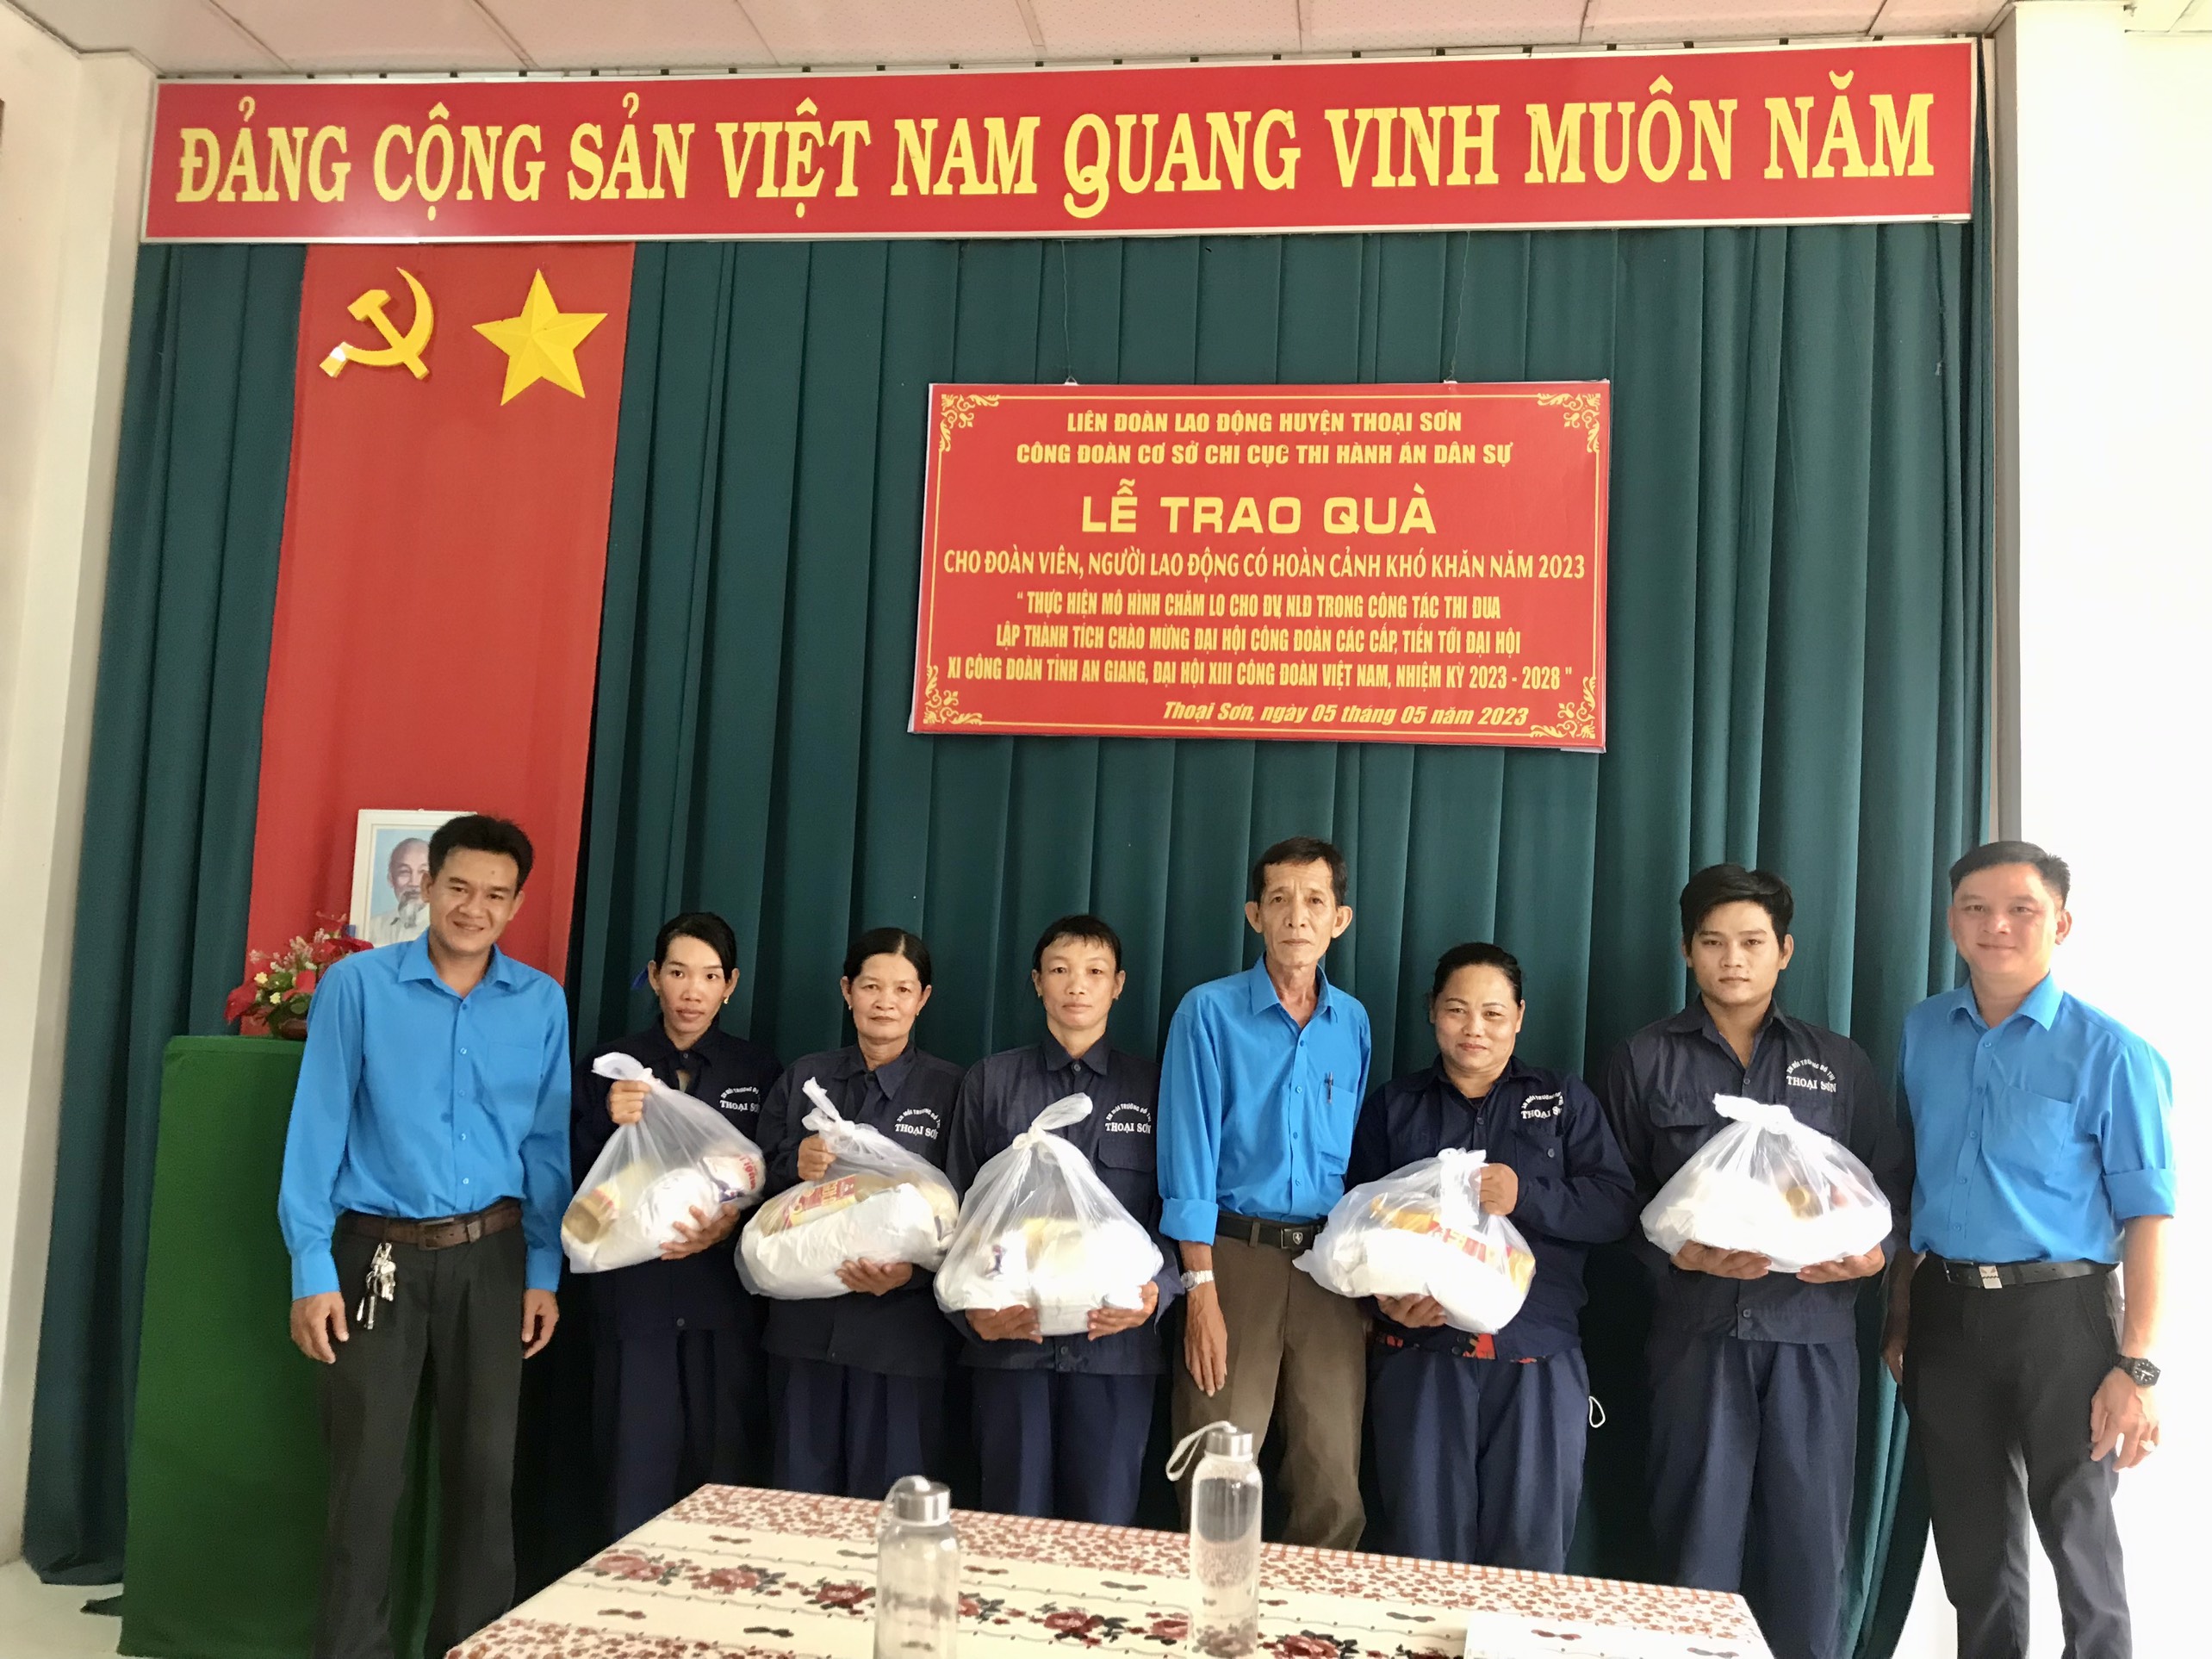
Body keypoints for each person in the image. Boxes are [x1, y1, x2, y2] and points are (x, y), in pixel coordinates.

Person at [1597, 863, 1909, 1659]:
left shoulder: (1837, 1063)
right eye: (1713, 942)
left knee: (1807, 1549)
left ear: (1785, 951)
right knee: (1694, 1540)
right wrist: (1680, 1254)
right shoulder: (1644, 1059)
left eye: (1752, 942)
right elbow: (1612, 1196)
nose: (1732, 959)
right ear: (1686, 951)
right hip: (1694, 1337)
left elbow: (1889, 1185)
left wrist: (1873, 1258)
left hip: (1813, 1337)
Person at [277, 814, 568, 1659]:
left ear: (516, 905)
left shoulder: (540, 1002)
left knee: (484, 1481)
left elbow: (547, 1148)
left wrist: (543, 1269)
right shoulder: (358, 988)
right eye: (460, 888)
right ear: (428, 887)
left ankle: (471, 1646)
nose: (475, 909)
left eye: (496, 895)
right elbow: (316, 1131)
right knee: (366, 1481)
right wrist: (310, 1267)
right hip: (376, 1259)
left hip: (495, 1258)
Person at [1885, 842, 2172, 1659]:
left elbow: (2149, 1216)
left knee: (2079, 1540)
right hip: (1944, 1311)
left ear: (2061, 924)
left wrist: (2137, 1366)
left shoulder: (2112, 1052)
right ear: (1952, 923)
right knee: (1972, 1550)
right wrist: (1900, 1315)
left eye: (2022, 909)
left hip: (2063, 1316)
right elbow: (1909, 1181)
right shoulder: (1922, 1031)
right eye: (1976, 908)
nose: (1997, 926)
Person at [1352, 942, 1637, 1570]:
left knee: (1529, 1558)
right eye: (1457, 1010)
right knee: (1423, 1554)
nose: (1474, 1029)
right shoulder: (1394, 1106)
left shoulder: (1563, 1100)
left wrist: (1526, 1195)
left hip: (1536, 1358)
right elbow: (1354, 1226)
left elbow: (1615, 1208)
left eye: (1493, 1013)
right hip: (1421, 1357)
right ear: (1432, 1011)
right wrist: (1384, 1301)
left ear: (1520, 1017)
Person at [1158, 835, 1373, 1549]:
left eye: (1314, 901)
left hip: (1325, 1266)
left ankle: (1316, 1611)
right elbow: (1187, 1153)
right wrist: (1200, 1289)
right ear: (1255, 915)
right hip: (1232, 1256)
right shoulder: (1207, 1013)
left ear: (1339, 919)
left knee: (1332, 1474)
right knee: (1218, 1465)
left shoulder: (1353, 1023)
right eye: (1279, 899)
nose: (1296, 917)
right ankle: (1211, 1607)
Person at [944, 914, 1177, 1524]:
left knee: (1104, 1528)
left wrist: (1159, 1291)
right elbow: (958, 1209)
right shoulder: (992, 1082)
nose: (1077, 985)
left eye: (1095, 972)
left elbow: (1178, 1207)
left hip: (1115, 1351)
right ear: (1037, 982)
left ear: (1118, 985)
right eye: (1060, 970)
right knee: (1012, 1521)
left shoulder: (1156, 1087)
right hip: (1011, 1348)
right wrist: (971, 1313)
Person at [573, 911, 781, 1537]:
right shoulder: (611, 1067)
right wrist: (608, 1120)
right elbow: (574, 1183)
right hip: (636, 1305)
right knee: (633, 1477)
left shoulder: (759, 1071)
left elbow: (778, 1185)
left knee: (721, 1483)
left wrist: (731, 1225)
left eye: (710, 976)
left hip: (722, 1306)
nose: (693, 991)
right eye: (678, 972)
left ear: (731, 985)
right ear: (655, 977)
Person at [750, 927, 965, 1499]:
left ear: (923, 999)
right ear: (847, 991)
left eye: (902, 989)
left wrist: (911, 1274)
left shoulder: (951, 1089)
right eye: (871, 986)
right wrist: (793, 1163)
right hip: (803, 1336)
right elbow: (755, 1187)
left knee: (891, 1511)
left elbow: (968, 1212)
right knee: (800, 1506)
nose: (885, 1002)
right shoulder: (805, 1080)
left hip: (901, 1340)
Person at [361, 836, 431, 946]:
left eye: (423, 872)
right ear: (391, 879)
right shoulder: (372, 928)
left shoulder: (445, 928)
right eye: (404, 872)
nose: (414, 883)